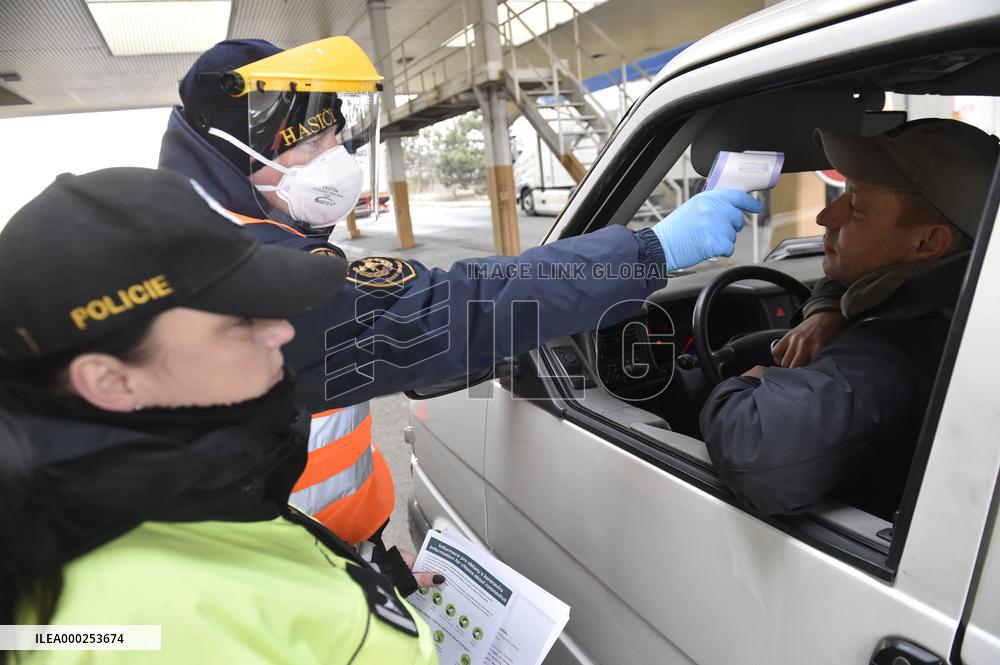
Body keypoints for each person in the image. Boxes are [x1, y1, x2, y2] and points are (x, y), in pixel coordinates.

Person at [159, 36, 763, 580]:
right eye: (313, 143)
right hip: (267, 597)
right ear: (235, 151)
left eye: (335, 137)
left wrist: (378, 572)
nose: (334, 157)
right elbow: (459, 310)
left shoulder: (222, 230)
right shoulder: (244, 274)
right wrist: (648, 250)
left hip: (318, 567)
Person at [0, 167, 436, 663]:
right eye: (241, 319)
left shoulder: (169, 487)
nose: (282, 333)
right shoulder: (140, 629)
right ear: (110, 381)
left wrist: (371, 590)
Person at [700, 118, 999, 519]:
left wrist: (748, 383)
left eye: (856, 207)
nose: (826, 217)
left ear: (927, 243)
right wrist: (827, 310)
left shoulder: (893, 354)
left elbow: (758, 458)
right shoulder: (970, 288)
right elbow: (858, 277)